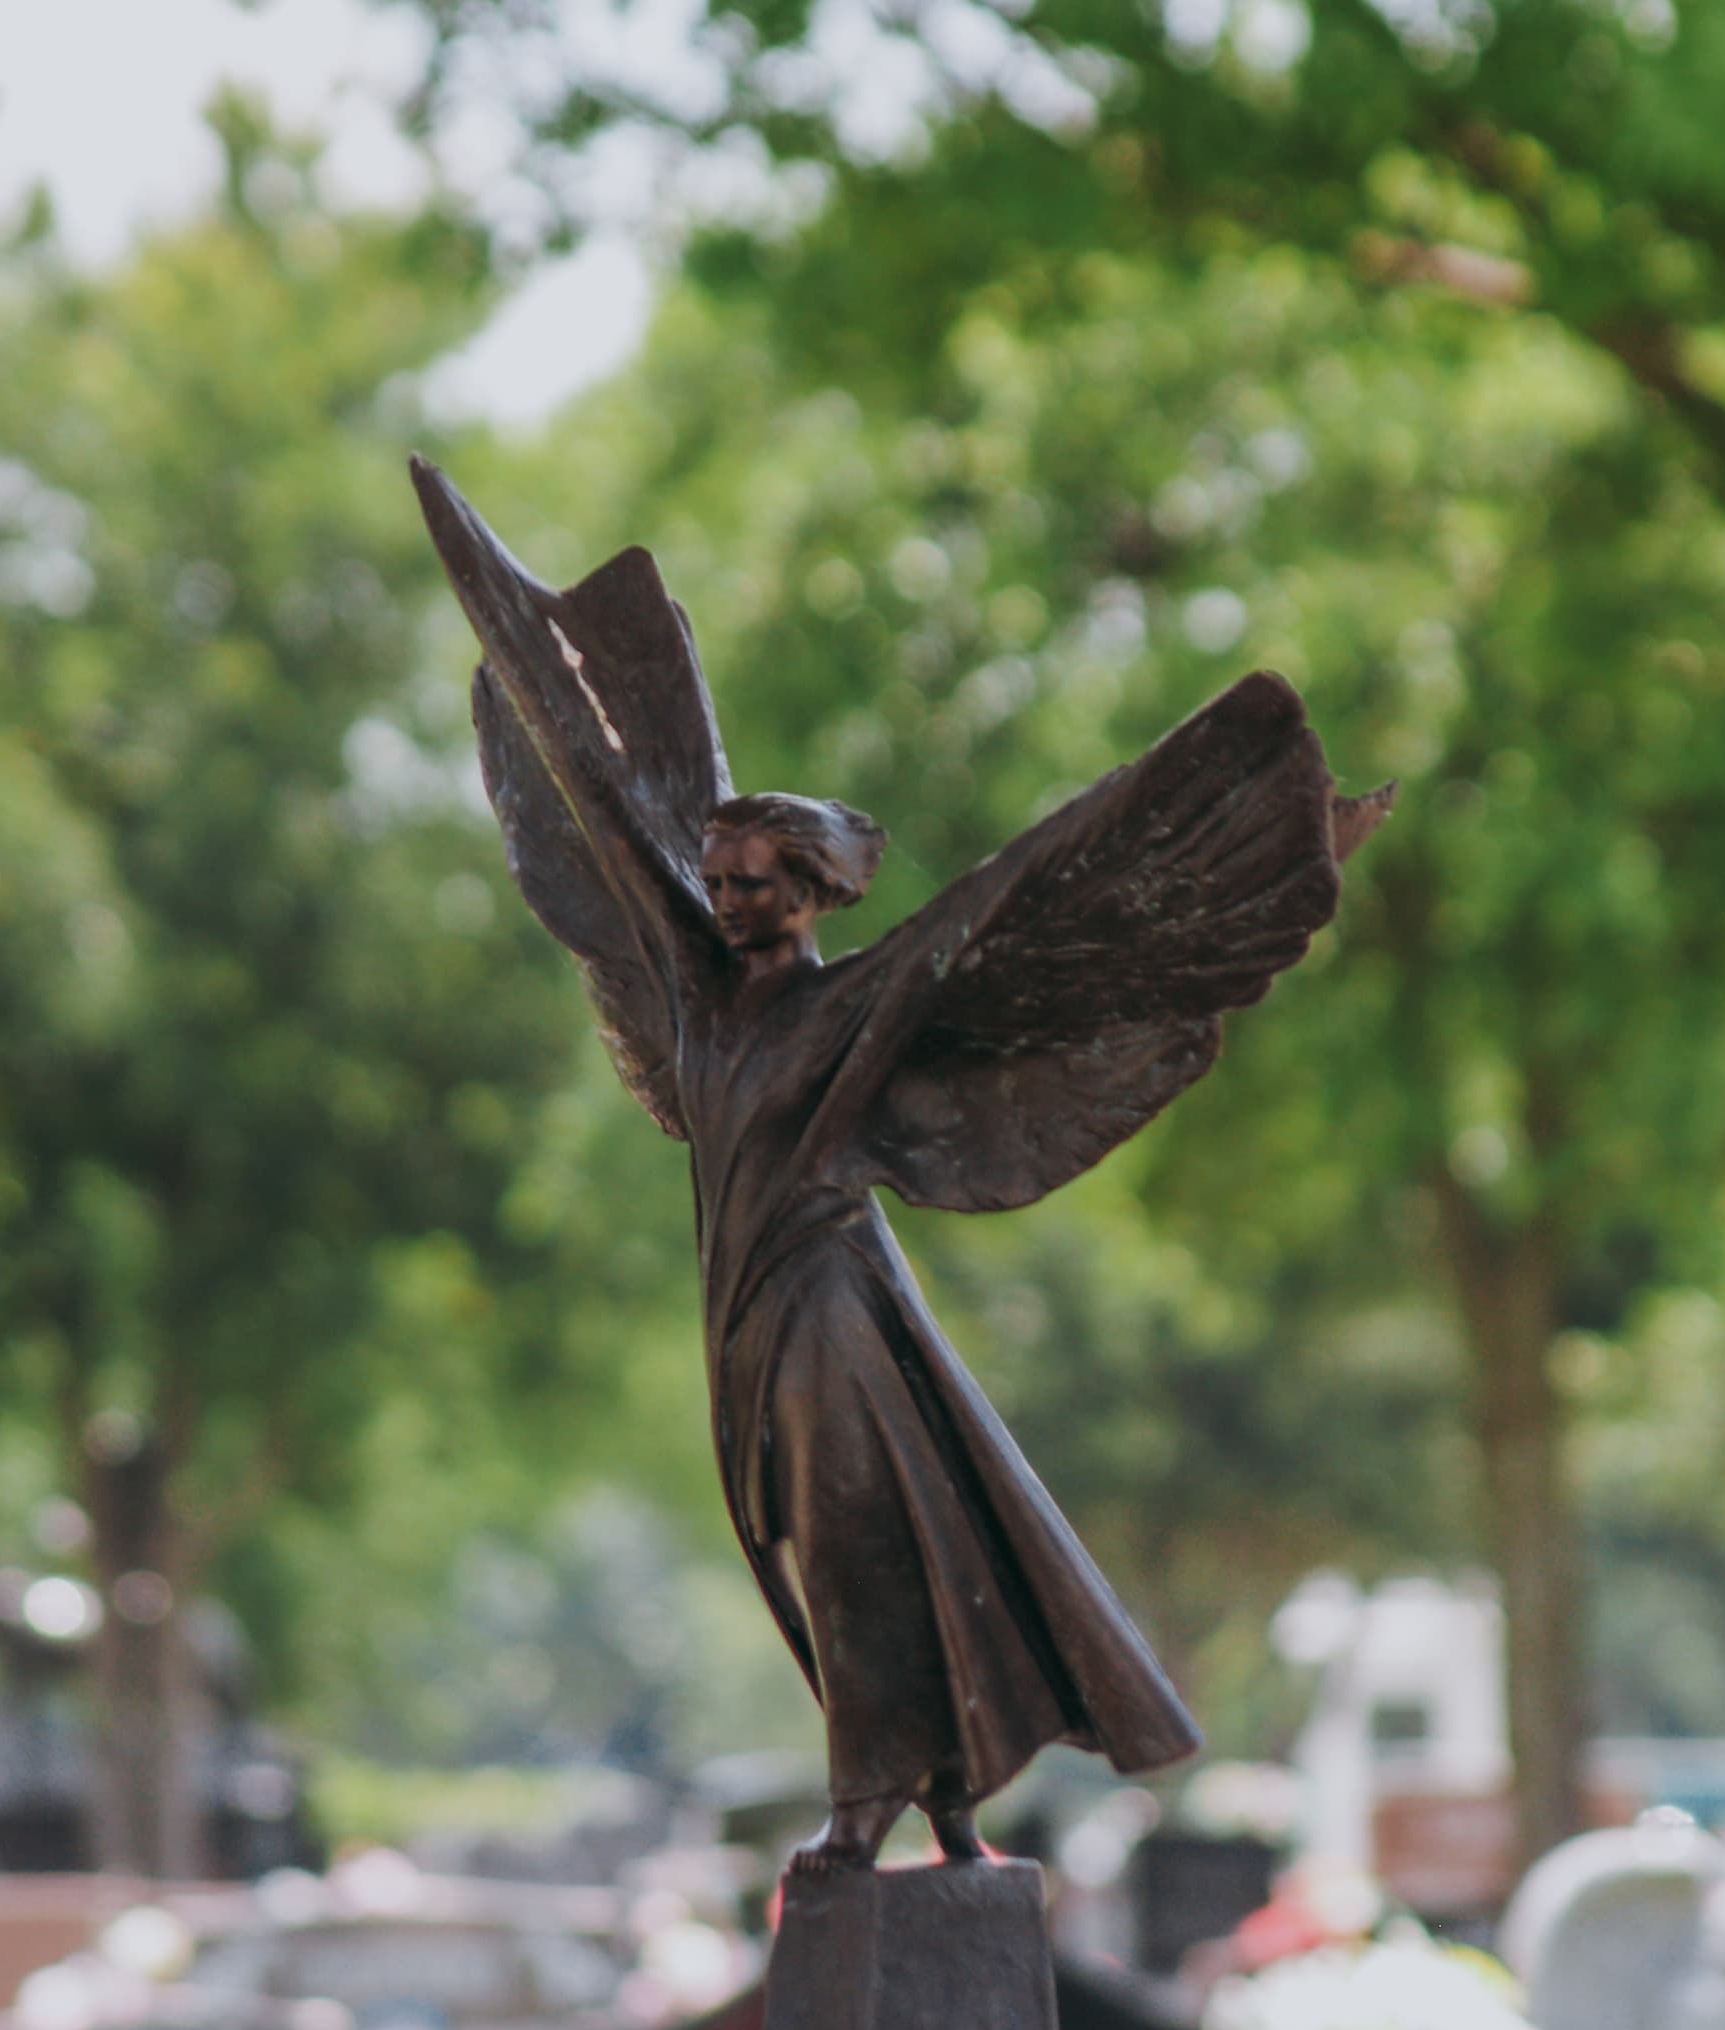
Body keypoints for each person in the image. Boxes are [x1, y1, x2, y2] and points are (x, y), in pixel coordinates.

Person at [417, 458, 1389, 1875]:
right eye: (718, 876)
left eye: (754, 879)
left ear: (811, 894)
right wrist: (516, 630)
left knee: (859, 1546)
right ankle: (935, 1802)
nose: (726, 896)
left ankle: (879, 1806)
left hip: (834, 1320)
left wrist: (1255, 842)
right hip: (746, 1322)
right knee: (829, 1550)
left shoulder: (854, 1008)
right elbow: (609, 829)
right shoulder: (698, 1003)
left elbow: (1022, 886)